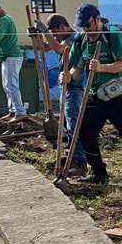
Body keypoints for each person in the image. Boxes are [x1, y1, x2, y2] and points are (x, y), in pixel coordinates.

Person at [47, 4, 122, 190]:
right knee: (85, 133)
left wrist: (103, 68)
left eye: (88, 24)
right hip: (94, 94)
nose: (86, 29)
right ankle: (99, 173)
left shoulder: (111, 35)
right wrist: (69, 76)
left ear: (97, 19)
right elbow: (78, 67)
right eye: (82, 26)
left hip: (115, 94)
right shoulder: (81, 40)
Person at [39, 17, 88, 172]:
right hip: (65, 87)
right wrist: (36, 36)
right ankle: (72, 155)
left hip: (74, 87)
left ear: (62, 27)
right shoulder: (62, 40)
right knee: (67, 125)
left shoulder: (74, 38)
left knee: (74, 125)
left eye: (55, 33)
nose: (54, 37)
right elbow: (45, 47)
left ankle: (81, 161)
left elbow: (59, 49)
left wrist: (45, 32)